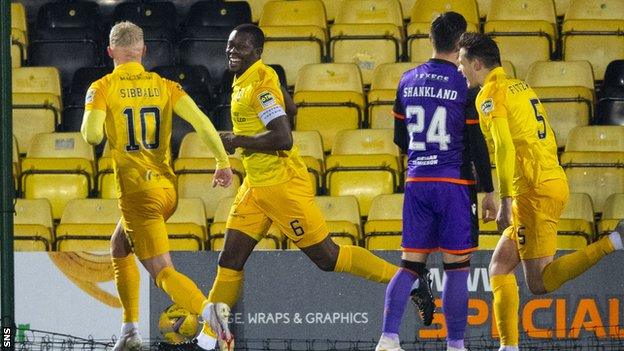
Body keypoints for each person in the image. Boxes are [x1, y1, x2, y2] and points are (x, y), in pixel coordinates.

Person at [197, 23, 401, 350]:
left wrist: (236, 139)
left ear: (257, 52)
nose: (233, 52)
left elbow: (282, 136)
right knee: (230, 260)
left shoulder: (258, 84)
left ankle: (405, 281)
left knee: (328, 258)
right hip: (256, 186)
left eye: (242, 48)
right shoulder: (250, 77)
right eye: (230, 45)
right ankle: (212, 338)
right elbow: (290, 110)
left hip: (282, 186)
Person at [457, 32, 624, 351]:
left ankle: (612, 242)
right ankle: (509, 346)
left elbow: (505, 148)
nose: (460, 69)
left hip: (532, 193)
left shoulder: (489, 95)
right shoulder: (520, 86)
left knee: (540, 282)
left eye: (463, 63)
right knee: (500, 266)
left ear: (476, 63)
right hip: (542, 183)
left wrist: (504, 199)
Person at [81, 21, 233, 351]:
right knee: (119, 245)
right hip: (167, 190)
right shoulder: (164, 85)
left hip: (138, 195)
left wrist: (97, 113)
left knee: (162, 272)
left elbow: (92, 136)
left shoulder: (102, 86)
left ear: (110, 52)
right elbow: (201, 121)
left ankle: (208, 312)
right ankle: (130, 329)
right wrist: (222, 162)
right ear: (143, 51)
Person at [375, 13, 497, 351]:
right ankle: (455, 345)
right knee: (457, 268)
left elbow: (401, 138)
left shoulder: (407, 79)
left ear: (431, 40)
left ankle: (388, 337)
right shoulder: (465, 84)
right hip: (454, 184)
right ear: (460, 44)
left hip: (417, 181)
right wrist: (488, 190)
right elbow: (476, 143)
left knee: (410, 264)